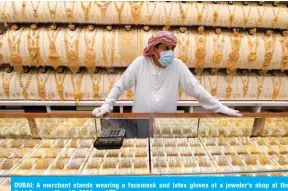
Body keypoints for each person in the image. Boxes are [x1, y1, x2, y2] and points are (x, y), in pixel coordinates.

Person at [92, 31, 241, 137]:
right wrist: (107, 105)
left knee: (164, 157)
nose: (170, 52)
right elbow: (120, 86)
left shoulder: (177, 66)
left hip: (167, 123)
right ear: (155, 49)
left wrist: (220, 107)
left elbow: (197, 90)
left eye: (172, 49)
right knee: (143, 156)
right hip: (141, 121)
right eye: (166, 48)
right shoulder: (140, 63)